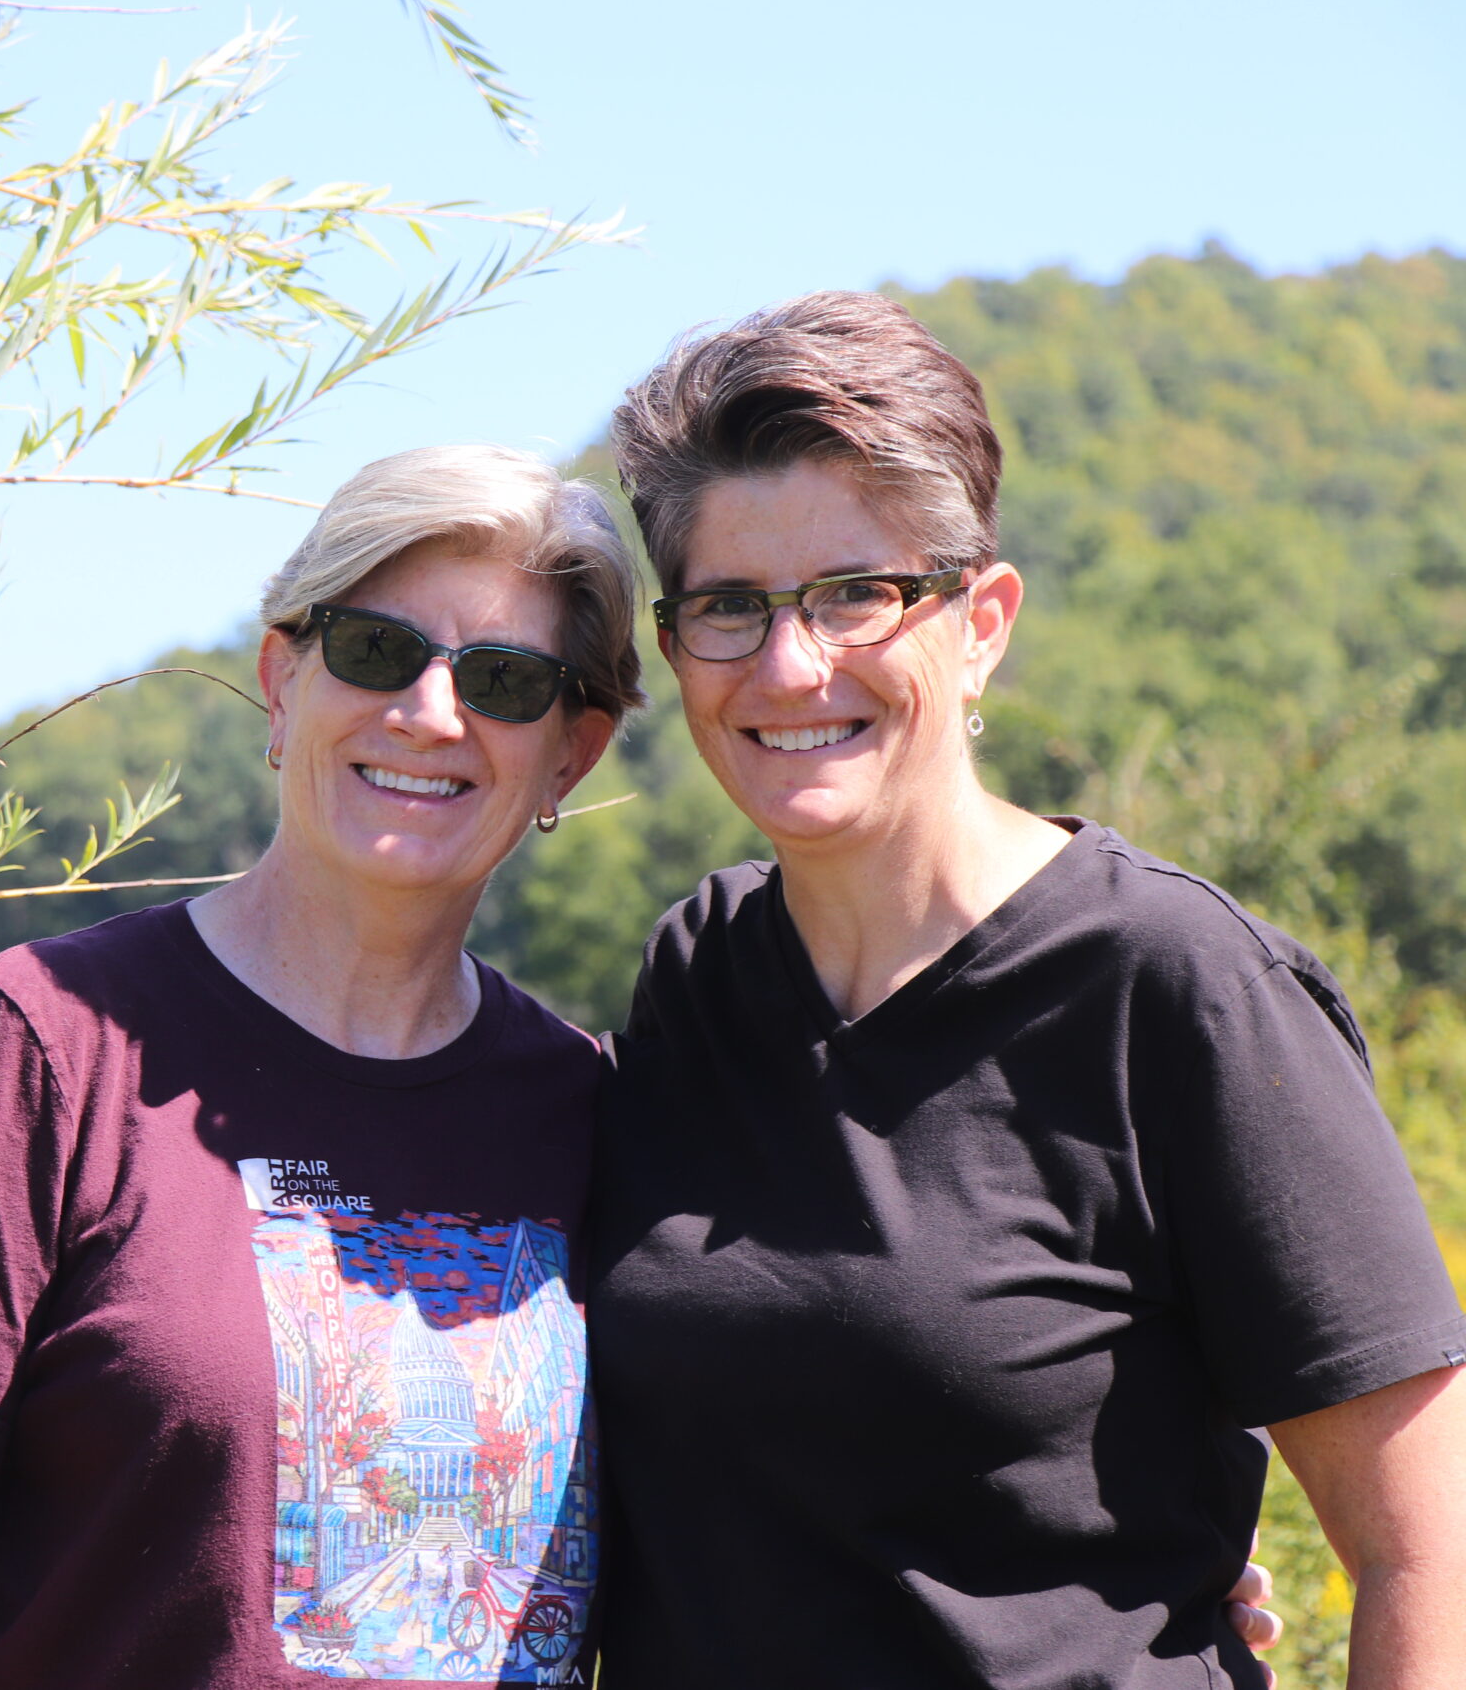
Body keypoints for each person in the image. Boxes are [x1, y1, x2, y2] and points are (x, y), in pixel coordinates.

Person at [589, 292, 1466, 1688]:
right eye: (729, 607)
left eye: (855, 592)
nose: (788, 663)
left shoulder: (1173, 987)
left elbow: (1434, 1556)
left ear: (981, 619)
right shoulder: (695, 978)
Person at [0, 445, 636, 1687]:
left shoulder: (591, 1109)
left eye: (504, 680)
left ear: (572, 754)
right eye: (374, 651)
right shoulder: (47, 1042)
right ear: (281, 680)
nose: (429, 713)